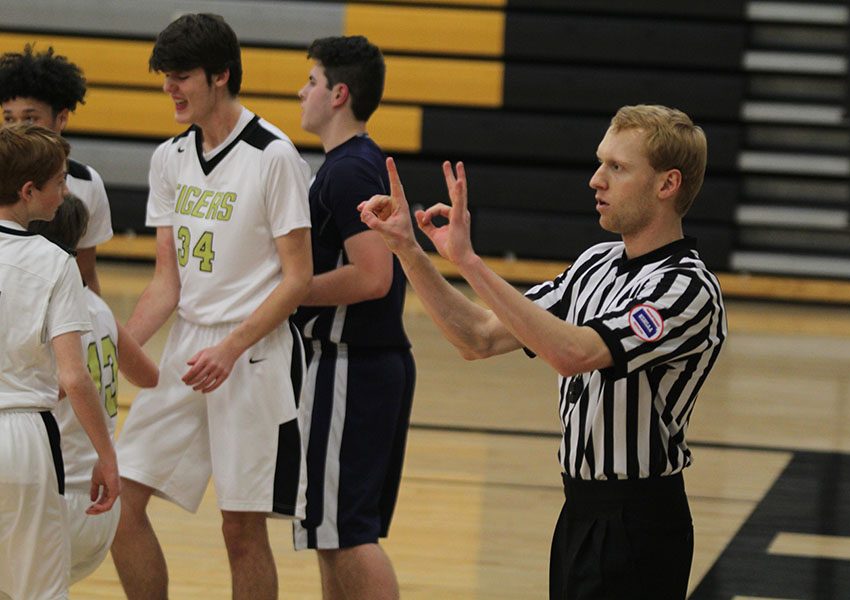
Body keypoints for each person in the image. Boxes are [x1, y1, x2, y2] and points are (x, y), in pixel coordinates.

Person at [359, 104, 727, 599]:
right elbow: (479, 336)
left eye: (617, 167)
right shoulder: (596, 263)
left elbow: (572, 353)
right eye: (600, 163)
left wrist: (469, 262)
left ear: (667, 184)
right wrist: (408, 249)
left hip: (640, 519)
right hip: (578, 509)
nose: (596, 180)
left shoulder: (687, 288)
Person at [110, 13, 313, 600]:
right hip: (188, 347)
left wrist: (230, 347)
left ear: (220, 75)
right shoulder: (169, 158)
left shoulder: (273, 156)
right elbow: (165, 285)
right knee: (122, 502)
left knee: (240, 528)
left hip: (252, 355)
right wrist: (115, 344)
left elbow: (298, 279)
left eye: (181, 76)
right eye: (166, 76)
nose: (170, 87)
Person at [292, 35, 415, 600]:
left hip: (350, 366)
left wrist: (286, 295)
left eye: (312, 82)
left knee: (348, 534)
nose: (302, 92)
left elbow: (373, 276)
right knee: (332, 531)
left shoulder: (349, 171)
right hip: (358, 367)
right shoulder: (350, 165)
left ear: (339, 94)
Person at [0, 124, 119, 599]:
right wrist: (107, 456)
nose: (65, 192)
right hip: (24, 435)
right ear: (29, 192)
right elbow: (74, 375)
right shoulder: (54, 261)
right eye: (59, 182)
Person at [28, 193, 160, 585]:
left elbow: (59, 388)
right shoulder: (97, 307)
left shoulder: (53, 309)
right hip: (99, 508)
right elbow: (149, 376)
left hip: (58, 497)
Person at [0, 44, 115, 294]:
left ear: (61, 118)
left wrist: (97, 324)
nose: (18, 128)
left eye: (30, 118)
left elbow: (84, 275)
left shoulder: (85, 183)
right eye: (9, 118)